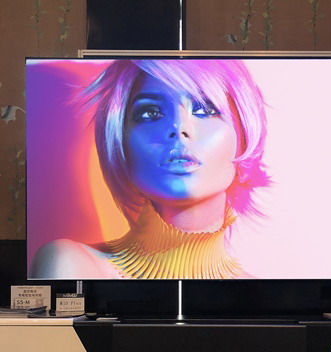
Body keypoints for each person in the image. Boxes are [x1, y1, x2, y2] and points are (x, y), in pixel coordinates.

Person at [29, 59, 270, 279]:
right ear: (120, 139)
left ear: (243, 135)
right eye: (151, 113)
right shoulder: (72, 266)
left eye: (206, 110)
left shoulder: (261, 297)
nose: (179, 128)